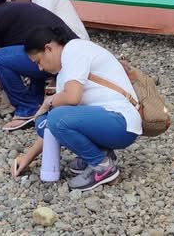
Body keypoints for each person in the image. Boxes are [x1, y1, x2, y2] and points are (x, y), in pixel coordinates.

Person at [10, 25, 142, 191]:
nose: (40, 68)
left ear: (48, 48)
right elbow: (53, 126)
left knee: (55, 117)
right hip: (112, 122)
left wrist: (47, 102)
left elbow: (72, 98)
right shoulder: (64, 70)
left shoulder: (74, 50)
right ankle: (99, 154)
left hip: (121, 122)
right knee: (44, 122)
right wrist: (27, 158)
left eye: (38, 61)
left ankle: (101, 166)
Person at [0, 0, 71, 132]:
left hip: (56, 59)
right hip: (66, 55)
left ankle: (26, 109)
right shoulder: (11, 11)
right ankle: (36, 101)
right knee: (27, 51)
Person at [3, 0, 89, 40]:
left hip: (76, 41)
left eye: (13, 0)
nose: (15, 5)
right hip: (66, 40)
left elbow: (41, 27)